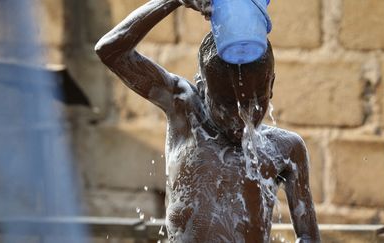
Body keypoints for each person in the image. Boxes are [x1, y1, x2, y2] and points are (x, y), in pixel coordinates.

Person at [95, 0, 320, 242]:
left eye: (255, 103)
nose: (241, 117)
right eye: (226, 103)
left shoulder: (285, 149)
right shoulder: (186, 112)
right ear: (202, 89)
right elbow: (111, 50)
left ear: (271, 86)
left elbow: (308, 237)